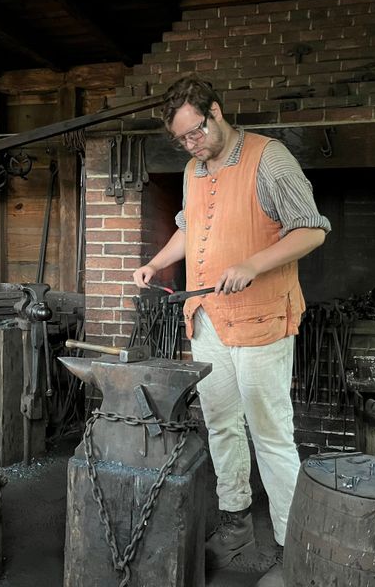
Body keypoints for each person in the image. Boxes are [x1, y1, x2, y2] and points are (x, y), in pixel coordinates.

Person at [132, 76, 331, 586]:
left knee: (271, 435)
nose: (192, 145)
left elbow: (311, 227)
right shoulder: (192, 170)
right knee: (220, 424)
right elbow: (189, 227)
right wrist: (155, 265)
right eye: (182, 140)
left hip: (262, 318)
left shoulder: (270, 157)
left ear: (216, 111)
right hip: (207, 320)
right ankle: (237, 523)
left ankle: (293, 551)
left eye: (196, 132)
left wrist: (253, 264)